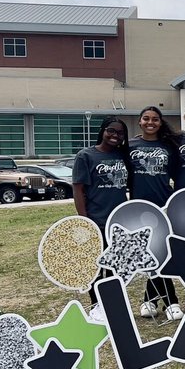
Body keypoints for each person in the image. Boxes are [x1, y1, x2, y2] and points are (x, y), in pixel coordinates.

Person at [72, 116, 131, 322]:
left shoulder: (122, 156)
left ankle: (112, 304)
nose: (115, 136)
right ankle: (96, 305)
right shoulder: (86, 156)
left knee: (115, 265)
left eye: (120, 133)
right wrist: (84, 221)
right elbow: (78, 190)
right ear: (103, 131)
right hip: (96, 219)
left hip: (119, 222)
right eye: (111, 131)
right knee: (96, 266)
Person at [129, 106, 185, 321]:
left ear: (161, 123)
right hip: (138, 208)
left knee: (161, 254)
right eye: (146, 118)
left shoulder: (168, 146)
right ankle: (166, 301)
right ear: (140, 121)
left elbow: (176, 173)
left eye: (155, 119)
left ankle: (156, 300)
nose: (150, 122)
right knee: (152, 255)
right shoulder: (130, 145)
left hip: (164, 205)